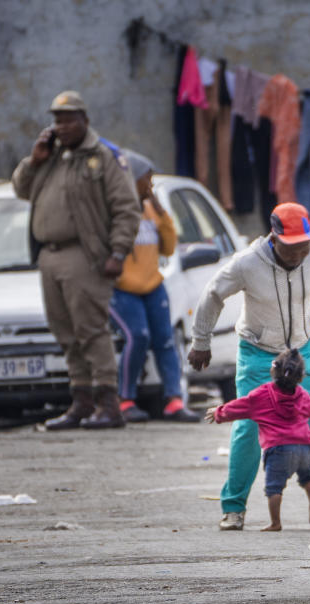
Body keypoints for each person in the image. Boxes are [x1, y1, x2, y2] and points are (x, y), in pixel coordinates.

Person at [189, 202, 310, 531]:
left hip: (302, 353)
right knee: (246, 427)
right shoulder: (247, 263)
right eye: (293, 248)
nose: (301, 254)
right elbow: (214, 292)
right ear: (274, 238)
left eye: (305, 246)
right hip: (258, 354)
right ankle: (233, 508)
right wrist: (201, 341)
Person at [13, 90, 142, 430]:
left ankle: (108, 404)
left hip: (84, 255)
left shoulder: (105, 156)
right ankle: (81, 401)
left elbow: (127, 209)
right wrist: (35, 160)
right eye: (57, 119)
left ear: (85, 120)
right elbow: (21, 189)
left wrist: (118, 252)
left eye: (69, 119)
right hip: (49, 255)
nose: (62, 126)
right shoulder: (51, 156)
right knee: (65, 333)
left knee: (91, 331)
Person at [108, 150, 198, 423]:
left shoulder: (150, 209)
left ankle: (173, 400)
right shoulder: (114, 209)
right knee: (138, 336)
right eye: (145, 180)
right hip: (123, 288)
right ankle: (125, 399)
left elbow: (169, 248)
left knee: (165, 339)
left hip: (152, 286)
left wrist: (161, 213)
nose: (150, 186)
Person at [205, 349, 310, 531]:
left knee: (274, 488)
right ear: (301, 377)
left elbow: (240, 407)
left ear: (273, 371)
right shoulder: (302, 394)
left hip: (278, 449)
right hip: (305, 447)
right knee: (309, 477)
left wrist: (219, 412)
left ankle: (276, 522)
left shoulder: (261, 394)